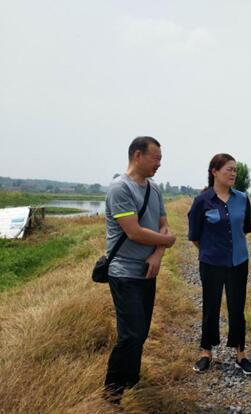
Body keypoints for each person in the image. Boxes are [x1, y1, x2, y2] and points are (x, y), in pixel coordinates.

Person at [103, 136, 176, 403]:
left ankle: (131, 379)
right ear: (137, 155)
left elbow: (163, 225)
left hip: (148, 271)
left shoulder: (154, 189)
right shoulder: (120, 189)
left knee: (141, 331)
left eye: (160, 159)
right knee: (130, 334)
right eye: (155, 158)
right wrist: (166, 242)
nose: (159, 164)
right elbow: (133, 232)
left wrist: (158, 254)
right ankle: (112, 393)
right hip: (124, 272)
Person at [187, 153, 251, 375]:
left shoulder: (242, 199)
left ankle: (240, 354)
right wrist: (210, 252)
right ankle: (206, 352)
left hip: (238, 263)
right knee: (211, 307)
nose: (233, 173)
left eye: (235, 170)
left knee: (237, 309)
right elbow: (195, 236)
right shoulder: (202, 201)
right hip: (211, 263)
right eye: (229, 169)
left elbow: (244, 229)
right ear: (214, 171)